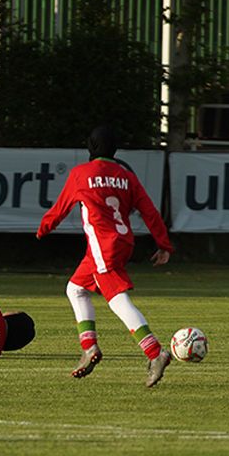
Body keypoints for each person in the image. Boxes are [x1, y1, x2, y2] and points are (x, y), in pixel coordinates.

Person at [36, 124, 174, 387]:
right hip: (122, 243)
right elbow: (150, 212)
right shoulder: (127, 176)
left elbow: (60, 207)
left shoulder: (81, 173)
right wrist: (164, 245)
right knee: (75, 289)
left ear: (91, 147)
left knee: (116, 300)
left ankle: (155, 352)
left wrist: (44, 228)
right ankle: (89, 347)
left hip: (103, 246)